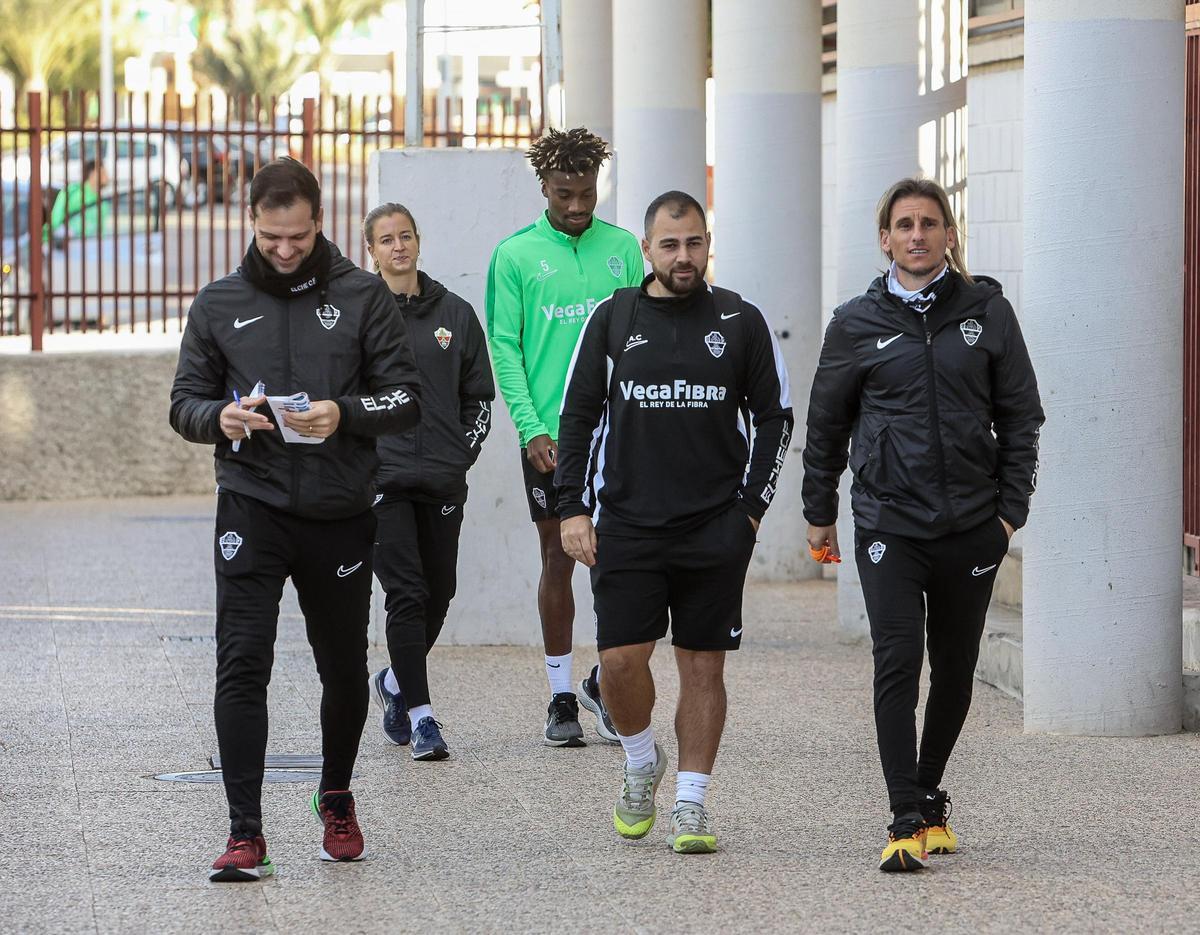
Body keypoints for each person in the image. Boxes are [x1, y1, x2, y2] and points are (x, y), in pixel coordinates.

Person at [169, 158, 422, 882]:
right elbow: (183, 404)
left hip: (340, 512)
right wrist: (220, 417)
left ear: (320, 223)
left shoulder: (363, 295)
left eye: (298, 236)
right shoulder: (218, 302)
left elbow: (404, 399)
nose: (284, 250)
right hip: (251, 505)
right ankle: (244, 832)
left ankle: (335, 793)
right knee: (241, 661)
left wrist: (344, 413)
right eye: (271, 236)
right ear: (251, 221)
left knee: (342, 667)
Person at [801, 177, 1043, 872]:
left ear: (949, 235)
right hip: (888, 521)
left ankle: (931, 791)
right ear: (885, 239)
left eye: (928, 223)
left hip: (972, 524)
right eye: (903, 224)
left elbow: (1022, 416)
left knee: (958, 668)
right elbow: (826, 424)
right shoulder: (855, 321)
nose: (916, 235)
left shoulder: (987, 312)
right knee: (897, 658)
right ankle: (903, 815)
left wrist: (1008, 514)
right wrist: (819, 510)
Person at [556, 191, 793, 854]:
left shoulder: (739, 319)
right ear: (646, 249)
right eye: (669, 244)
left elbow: (777, 417)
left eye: (693, 242)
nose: (682, 255)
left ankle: (691, 802)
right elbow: (576, 418)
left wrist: (750, 511)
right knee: (620, 661)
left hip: (714, 527)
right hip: (625, 524)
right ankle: (639, 761)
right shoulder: (613, 318)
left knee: (702, 666)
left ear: (707, 243)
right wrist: (571, 506)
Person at [485, 127, 644, 747]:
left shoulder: (624, 249)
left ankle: (606, 680)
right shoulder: (516, 255)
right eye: (563, 194)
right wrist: (530, 427)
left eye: (586, 193)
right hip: (554, 437)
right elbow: (506, 345)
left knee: (624, 560)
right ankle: (559, 697)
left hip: (623, 433)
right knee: (558, 557)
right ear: (543, 188)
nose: (577, 206)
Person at [362, 202, 495, 761]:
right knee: (407, 593)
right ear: (371, 250)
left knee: (439, 592)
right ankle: (423, 718)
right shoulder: (357, 315)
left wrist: (460, 454)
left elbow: (480, 398)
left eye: (406, 236)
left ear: (419, 241)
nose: (398, 246)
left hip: (442, 478)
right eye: (387, 239)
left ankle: (394, 683)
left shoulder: (457, 314)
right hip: (382, 479)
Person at [45, 157, 109, 243]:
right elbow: (56, 219)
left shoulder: (103, 202)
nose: (106, 176)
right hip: (66, 243)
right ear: (92, 174)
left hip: (92, 247)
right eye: (102, 172)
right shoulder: (73, 192)